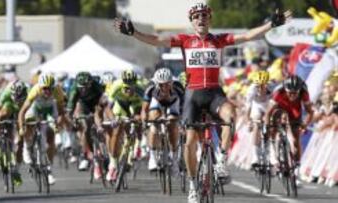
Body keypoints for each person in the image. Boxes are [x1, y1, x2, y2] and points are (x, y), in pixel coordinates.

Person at [114, 2, 291, 202]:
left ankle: (221, 161)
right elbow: (156, 40)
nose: (200, 19)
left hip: (215, 92)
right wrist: (134, 32)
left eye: (204, 16)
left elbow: (248, 36)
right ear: (192, 21)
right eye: (196, 17)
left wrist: (271, 25)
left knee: (229, 115)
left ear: (209, 20)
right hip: (193, 95)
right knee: (190, 143)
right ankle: (192, 184)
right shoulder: (185, 40)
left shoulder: (219, 40)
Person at [264, 75, 314, 185]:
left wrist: (304, 124)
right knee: (273, 125)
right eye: (289, 93)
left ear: (299, 91)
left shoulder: (304, 93)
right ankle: (273, 152)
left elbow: (310, 112)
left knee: (295, 140)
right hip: (279, 107)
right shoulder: (278, 92)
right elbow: (268, 113)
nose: (292, 95)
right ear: (285, 90)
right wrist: (267, 127)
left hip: (294, 110)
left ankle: (296, 167)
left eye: (294, 93)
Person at [18, 74, 67, 185]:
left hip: (50, 109)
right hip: (35, 108)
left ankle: (48, 170)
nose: (47, 91)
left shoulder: (58, 91)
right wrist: (21, 128)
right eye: (44, 88)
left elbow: (61, 112)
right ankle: (27, 145)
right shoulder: (34, 91)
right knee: (30, 120)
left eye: (50, 88)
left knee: (51, 139)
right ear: (40, 87)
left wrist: (57, 124)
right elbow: (22, 112)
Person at [66, 72, 115, 179]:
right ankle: (85, 155)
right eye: (81, 88)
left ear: (90, 83)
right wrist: (73, 121)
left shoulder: (96, 85)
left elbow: (105, 103)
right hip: (82, 104)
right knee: (85, 126)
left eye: (86, 87)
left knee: (100, 114)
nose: (84, 90)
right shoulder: (75, 89)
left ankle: (104, 147)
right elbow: (70, 108)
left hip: (95, 102)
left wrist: (110, 118)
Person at [141, 68, 184, 172]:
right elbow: (144, 109)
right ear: (156, 84)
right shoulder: (150, 87)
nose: (164, 87)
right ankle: (152, 157)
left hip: (173, 103)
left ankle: (174, 158)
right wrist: (144, 122)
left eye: (167, 84)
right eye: (161, 85)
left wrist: (181, 122)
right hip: (157, 102)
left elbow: (185, 107)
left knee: (172, 125)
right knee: (154, 123)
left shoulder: (178, 87)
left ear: (171, 82)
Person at [0, 80, 28, 186]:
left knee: (20, 143)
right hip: (9, 106)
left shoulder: (28, 94)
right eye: (16, 97)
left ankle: (16, 171)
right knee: (1, 116)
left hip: (20, 111)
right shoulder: (6, 94)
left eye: (20, 97)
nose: (17, 100)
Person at [106, 69, 144, 181]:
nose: (129, 90)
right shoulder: (116, 86)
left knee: (137, 121)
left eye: (132, 87)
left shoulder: (140, 88)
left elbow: (145, 108)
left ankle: (136, 145)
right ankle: (112, 165)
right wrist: (113, 119)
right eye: (126, 88)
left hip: (136, 104)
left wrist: (142, 118)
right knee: (117, 129)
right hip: (121, 104)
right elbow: (108, 108)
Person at [245, 71, 272, 167]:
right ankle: (255, 155)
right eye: (258, 86)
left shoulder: (272, 88)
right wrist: (249, 121)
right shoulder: (251, 90)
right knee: (256, 124)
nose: (260, 88)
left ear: (267, 84)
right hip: (257, 106)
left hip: (269, 105)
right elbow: (248, 107)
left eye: (263, 86)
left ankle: (270, 151)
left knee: (270, 124)